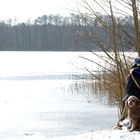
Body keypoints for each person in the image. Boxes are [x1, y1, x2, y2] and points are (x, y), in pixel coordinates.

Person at [114, 57, 140, 129]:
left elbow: (128, 88)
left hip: (134, 96)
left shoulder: (132, 73)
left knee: (125, 100)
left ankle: (120, 124)